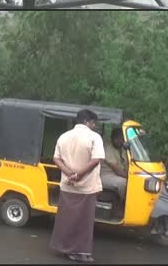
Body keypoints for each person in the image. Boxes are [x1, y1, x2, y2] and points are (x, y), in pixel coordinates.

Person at [50, 109, 105, 263]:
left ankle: (63, 247)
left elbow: (56, 159)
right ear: (88, 122)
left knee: (66, 219)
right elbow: (96, 160)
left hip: (68, 186)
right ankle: (79, 252)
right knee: (84, 221)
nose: (93, 126)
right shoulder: (94, 137)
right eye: (93, 123)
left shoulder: (64, 136)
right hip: (87, 186)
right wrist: (79, 174)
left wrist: (69, 173)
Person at [100, 128, 128, 202]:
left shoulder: (122, 149)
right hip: (105, 175)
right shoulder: (107, 147)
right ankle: (122, 204)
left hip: (117, 175)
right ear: (112, 137)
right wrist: (130, 177)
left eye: (121, 138)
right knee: (123, 183)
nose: (119, 140)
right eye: (117, 138)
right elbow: (116, 169)